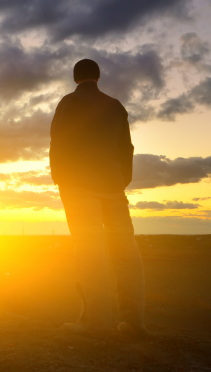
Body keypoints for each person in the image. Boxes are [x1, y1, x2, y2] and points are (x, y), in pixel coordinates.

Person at [50, 58, 146, 338]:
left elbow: (58, 142)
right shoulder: (115, 106)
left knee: (89, 249)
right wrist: (120, 182)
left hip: (78, 186)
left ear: (75, 77)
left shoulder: (68, 103)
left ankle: (96, 322)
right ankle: (134, 323)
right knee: (127, 251)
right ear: (98, 76)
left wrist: (60, 178)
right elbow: (126, 148)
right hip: (113, 187)